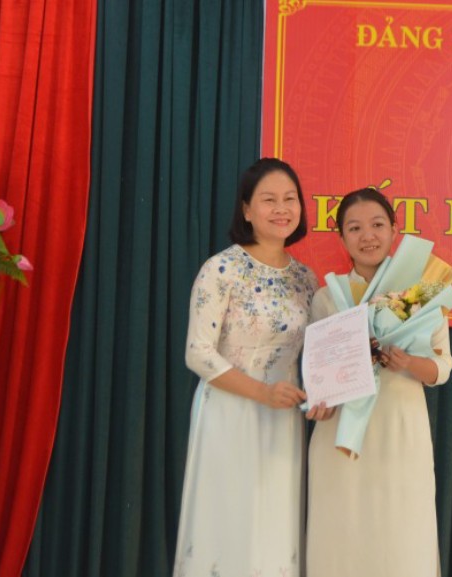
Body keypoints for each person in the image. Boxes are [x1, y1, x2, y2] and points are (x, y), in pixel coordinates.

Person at [174, 158, 331, 577]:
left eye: (290, 199)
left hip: (283, 419)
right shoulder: (221, 269)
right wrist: (262, 392)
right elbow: (198, 352)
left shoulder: (306, 279)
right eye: (268, 200)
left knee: (272, 527)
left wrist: (325, 392)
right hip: (230, 414)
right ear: (246, 209)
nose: (282, 209)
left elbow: (316, 354)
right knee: (229, 523)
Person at [306, 187, 452, 577]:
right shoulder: (326, 297)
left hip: (400, 429)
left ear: (394, 230)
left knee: (401, 532)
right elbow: (318, 372)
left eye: (377, 225)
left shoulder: (421, 292)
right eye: (354, 228)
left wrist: (410, 363)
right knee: (342, 530)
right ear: (341, 238)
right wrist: (321, 400)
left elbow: (443, 367)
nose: (367, 236)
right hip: (340, 435)